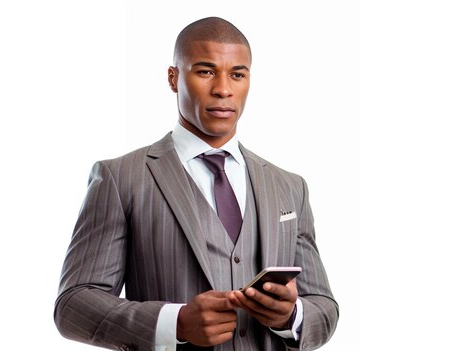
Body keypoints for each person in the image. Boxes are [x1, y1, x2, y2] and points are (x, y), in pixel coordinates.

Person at [54, 16, 339, 351]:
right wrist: (175, 323)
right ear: (173, 78)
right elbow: (73, 305)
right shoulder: (120, 178)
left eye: (237, 74)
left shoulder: (289, 186)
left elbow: (324, 305)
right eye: (205, 71)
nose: (223, 88)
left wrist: (291, 317)